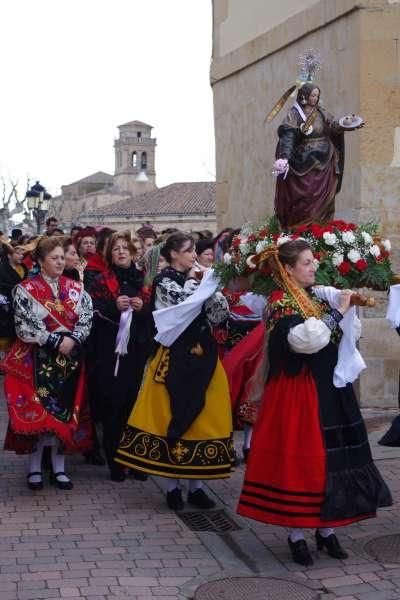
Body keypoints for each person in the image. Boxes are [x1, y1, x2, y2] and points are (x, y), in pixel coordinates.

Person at [237, 239, 392, 566]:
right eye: (307, 263)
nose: (314, 267)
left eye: (313, 261)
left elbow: (334, 325)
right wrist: (339, 313)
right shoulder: (281, 303)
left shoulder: (312, 296)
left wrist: (341, 305)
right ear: (289, 270)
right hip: (299, 391)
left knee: (332, 460)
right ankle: (296, 535)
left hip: (327, 387)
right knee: (304, 460)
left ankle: (326, 529)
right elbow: (304, 341)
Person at [115, 232, 234, 510]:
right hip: (174, 356)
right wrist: (203, 284)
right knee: (172, 413)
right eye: (189, 250)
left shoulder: (200, 278)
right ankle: (172, 487)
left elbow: (219, 314)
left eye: (194, 250)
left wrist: (210, 287)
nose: (195, 255)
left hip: (203, 354)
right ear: (173, 255)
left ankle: (197, 486)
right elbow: (184, 308)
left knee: (203, 417)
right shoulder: (165, 281)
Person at [2, 237, 93, 490]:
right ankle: (34, 469)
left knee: (64, 412)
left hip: (69, 360)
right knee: (39, 414)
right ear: (41, 261)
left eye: (63, 257)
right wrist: (54, 340)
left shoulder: (76, 288)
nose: (60, 262)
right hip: (37, 359)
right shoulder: (25, 290)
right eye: (54, 258)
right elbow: (24, 326)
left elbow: (85, 319)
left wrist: (74, 338)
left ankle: (59, 468)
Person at [89, 232, 148, 481]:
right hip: (111, 354)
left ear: (133, 253)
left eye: (125, 248)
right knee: (115, 406)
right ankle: (115, 461)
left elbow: (156, 315)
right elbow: (92, 312)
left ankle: (136, 461)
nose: (121, 252)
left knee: (136, 406)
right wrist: (114, 307)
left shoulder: (144, 281)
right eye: (116, 249)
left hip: (137, 351)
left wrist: (143, 309)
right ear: (109, 254)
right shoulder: (102, 281)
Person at [273, 83, 362, 228]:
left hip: (325, 160)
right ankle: (301, 228)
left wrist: (345, 123)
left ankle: (321, 228)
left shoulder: (321, 112)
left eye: (317, 95)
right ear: (304, 96)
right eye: (312, 95)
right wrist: (285, 156)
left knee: (325, 197)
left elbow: (333, 126)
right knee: (306, 195)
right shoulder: (294, 114)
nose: (315, 98)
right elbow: (288, 134)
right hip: (302, 161)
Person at [0, 242, 27, 356]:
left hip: (21, 306)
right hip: (5, 307)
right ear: (9, 255)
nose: (21, 256)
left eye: (22, 253)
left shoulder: (24, 268)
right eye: (17, 253)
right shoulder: (2, 270)